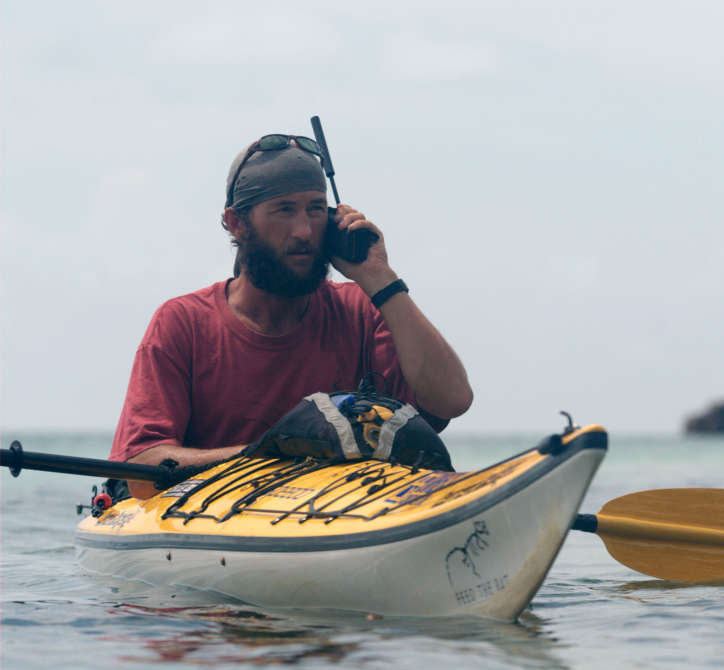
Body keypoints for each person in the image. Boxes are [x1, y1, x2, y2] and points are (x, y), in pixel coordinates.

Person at [110, 134, 473, 498]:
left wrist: (381, 279)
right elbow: (142, 472)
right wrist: (275, 453)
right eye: (284, 210)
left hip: (343, 511)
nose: (304, 231)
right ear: (237, 223)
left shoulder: (363, 309)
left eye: (316, 209)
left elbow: (452, 400)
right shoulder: (182, 322)